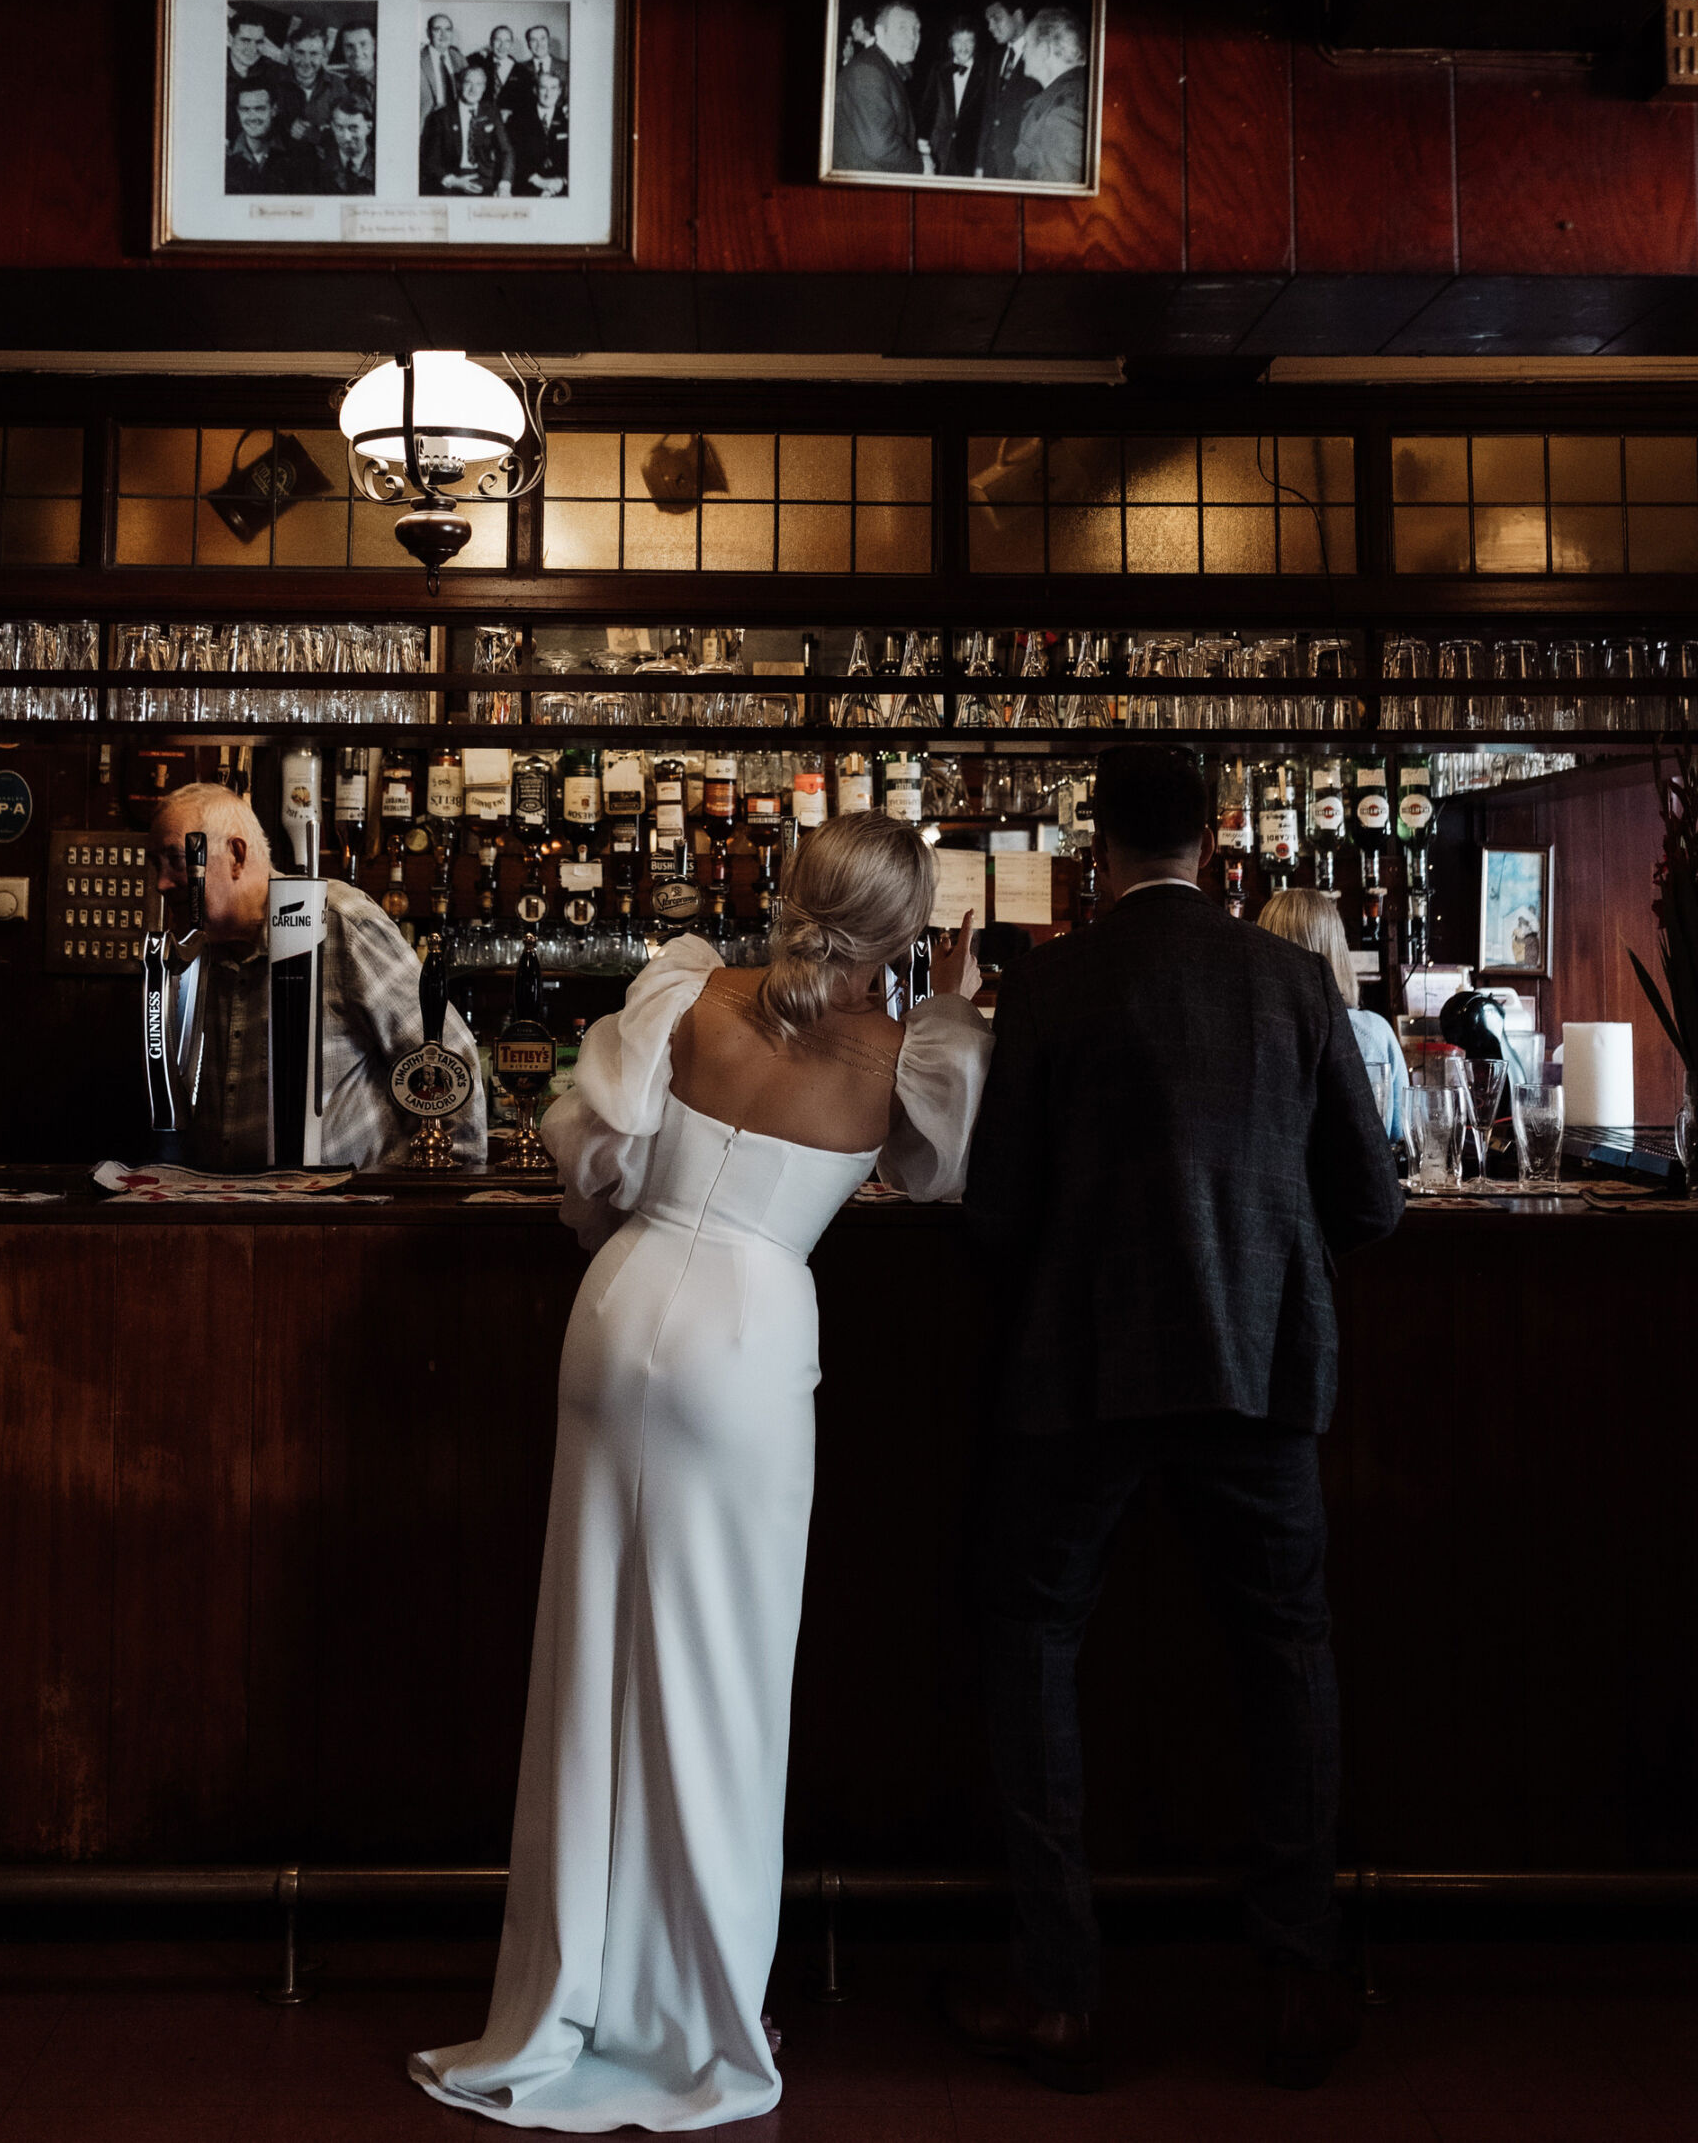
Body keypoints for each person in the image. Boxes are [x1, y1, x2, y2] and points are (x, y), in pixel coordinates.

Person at [411, 816, 992, 2130]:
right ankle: (707, 2007)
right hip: (747, 1340)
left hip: (617, 1312)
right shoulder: (914, 1054)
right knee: (724, 1686)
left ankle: (577, 1990)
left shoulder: (682, 994)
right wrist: (949, 1005)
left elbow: (593, 1160)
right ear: (902, 935)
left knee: (590, 1666)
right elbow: (937, 1175)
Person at [950, 742, 1402, 2096]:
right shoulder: (1295, 983)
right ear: (1215, 839)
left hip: (1083, 1369)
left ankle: (1063, 1989)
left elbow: (993, 1217)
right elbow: (1372, 1207)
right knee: (1286, 1654)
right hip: (1260, 1370)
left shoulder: (1051, 986)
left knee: (1033, 1640)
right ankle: (1299, 1977)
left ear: (1095, 846)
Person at [145, 782, 485, 1171]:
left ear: (236, 855)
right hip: (230, 1213)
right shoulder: (194, 952)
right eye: (156, 864)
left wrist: (444, 1195)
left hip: (346, 1215)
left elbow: (445, 1057)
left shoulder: (334, 920)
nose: (162, 882)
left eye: (175, 860)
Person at [1259, 887, 1406, 1141]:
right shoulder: (1373, 1032)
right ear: (1338, 951)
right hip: (1355, 1178)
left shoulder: (1252, 1031)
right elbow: (1399, 1131)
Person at [831, 0, 925, 174]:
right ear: (880, 32)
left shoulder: (882, 66)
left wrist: (912, 144)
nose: (913, 37)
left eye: (916, 29)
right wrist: (921, 165)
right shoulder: (868, 70)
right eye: (902, 28)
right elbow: (880, 147)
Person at [1011, 7, 1090, 185]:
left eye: (1027, 45)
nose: (1023, 53)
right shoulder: (1068, 96)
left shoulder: (1062, 112)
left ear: (1045, 50)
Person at [421, 62, 513, 196]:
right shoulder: (441, 116)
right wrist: (453, 181)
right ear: (459, 84)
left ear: (484, 88)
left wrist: (504, 185)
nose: (473, 89)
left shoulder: (491, 112)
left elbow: (506, 151)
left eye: (479, 84)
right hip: (453, 180)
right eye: (468, 83)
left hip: (485, 180)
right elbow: (430, 159)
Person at [974, 0, 1040, 179]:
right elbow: (988, 115)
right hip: (990, 167)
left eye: (996, 18)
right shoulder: (995, 59)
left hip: (1021, 170)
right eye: (988, 21)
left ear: (1018, 15)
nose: (990, 27)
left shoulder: (1040, 55)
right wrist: (980, 164)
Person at [920, 21, 986, 175]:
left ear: (975, 44)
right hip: (939, 150)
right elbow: (927, 108)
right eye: (958, 40)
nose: (963, 46)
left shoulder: (986, 72)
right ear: (950, 43)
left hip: (970, 154)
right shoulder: (938, 70)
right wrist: (923, 143)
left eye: (969, 40)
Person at [280, 24, 348, 156]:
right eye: (300, 52)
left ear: (323, 55)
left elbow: (347, 132)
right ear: (291, 53)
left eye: (314, 54)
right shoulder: (276, 81)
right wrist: (288, 126)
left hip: (323, 167)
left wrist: (313, 134)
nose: (306, 61)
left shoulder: (337, 86)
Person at [223, 82, 295, 196]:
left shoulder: (300, 155)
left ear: (274, 110)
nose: (252, 117)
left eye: (260, 109)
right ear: (237, 111)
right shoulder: (223, 158)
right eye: (245, 109)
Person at [510, 66, 569, 197]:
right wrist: (538, 181)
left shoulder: (568, 119)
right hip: (528, 184)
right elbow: (514, 156)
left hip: (560, 186)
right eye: (543, 88)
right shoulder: (519, 118)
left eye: (553, 88)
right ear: (535, 90)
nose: (548, 94)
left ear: (559, 91)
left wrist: (562, 181)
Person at [304, 95, 376, 198]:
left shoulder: (382, 168)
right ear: (332, 126)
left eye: (353, 128)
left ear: (369, 127)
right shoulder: (316, 170)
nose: (346, 137)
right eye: (339, 128)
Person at [419, 12, 466, 125]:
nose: (443, 34)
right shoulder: (417, 59)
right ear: (428, 33)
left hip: (455, 123)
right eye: (437, 29)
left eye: (448, 29)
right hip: (427, 124)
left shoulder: (459, 58)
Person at [334, 18, 378, 110]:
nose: (357, 53)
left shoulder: (390, 81)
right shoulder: (337, 86)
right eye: (349, 46)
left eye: (363, 44)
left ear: (374, 45)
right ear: (342, 49)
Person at [523, 21, 569, 97]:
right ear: (528, 44)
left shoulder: (565, 68)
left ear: (549, 41)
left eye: (542, 39)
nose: (539, 44)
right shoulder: (519, 69)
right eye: (533, 40)